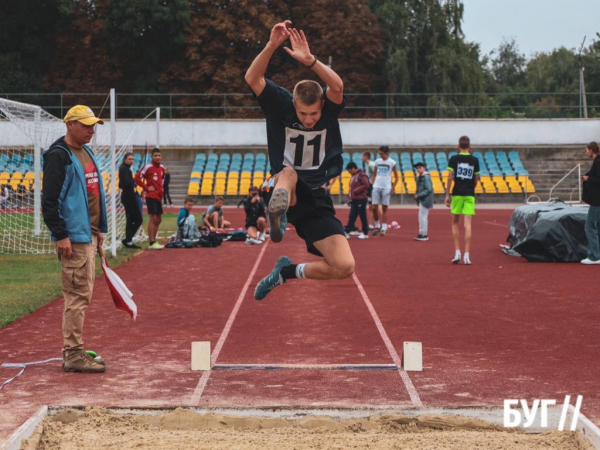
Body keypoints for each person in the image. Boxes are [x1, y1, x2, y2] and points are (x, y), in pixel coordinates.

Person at [245, 20, 355, 300]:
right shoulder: (280, 104)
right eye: (304, 114)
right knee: (289, 173)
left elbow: (338, 85)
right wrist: (271, 46)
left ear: (321, 107)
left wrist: (311, 61)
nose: (309, 120)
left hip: (315, 196)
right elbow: (252, 78)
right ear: (294, 104)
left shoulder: (328, 111)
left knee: (344, 266)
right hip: (281, 184)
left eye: (314, 114)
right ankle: (277, 210)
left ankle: (285, 272)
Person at [41, 105, 107, 373]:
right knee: (77, 297)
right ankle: (73, 354)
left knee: (83, 295)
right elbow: (49, 201)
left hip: (88, 234)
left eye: (94, 126)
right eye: (86, 125)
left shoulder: (85, 151)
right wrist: (61, 235)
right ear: (70, 124)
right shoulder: (60, 156)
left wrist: (99, 229)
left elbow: (93, 193)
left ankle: (76, 349)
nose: (92, 130)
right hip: (74, 237)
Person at [445, 136, 480, 265]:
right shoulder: (474, 160)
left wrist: (447, 194)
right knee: (468, 225)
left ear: (458, 145)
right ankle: (467, 255)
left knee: (455, 223)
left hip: (457, 193)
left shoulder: (454, 159)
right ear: (469, 146)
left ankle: (457, 252)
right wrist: (471, 188)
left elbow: (449, 177)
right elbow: (476, 179)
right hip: (469, 194)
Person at [134, 147, 165, 249]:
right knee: (153, 218)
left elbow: (162, 180)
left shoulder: (162, 168)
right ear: (152, 157)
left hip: (159, 197)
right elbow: (137, 178)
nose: (157, 157)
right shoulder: (148, 167)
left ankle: (154, 239)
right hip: (151, 196)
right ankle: (152, 242)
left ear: (161, 156)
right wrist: (146, 188)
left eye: (159, 155)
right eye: (155, 155)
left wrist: (161, 191)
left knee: (159, 219)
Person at [371, 146, 399, 236]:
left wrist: (393, 187)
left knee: (384, 208)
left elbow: (396, 176)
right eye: (379, 154)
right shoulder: (377, 162)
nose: (380, 155)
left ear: (386, 153)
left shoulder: (392, 162)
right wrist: (372, 184)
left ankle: (384, 227)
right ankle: (377, 225)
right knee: (374, 207)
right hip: (376, 186)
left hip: (386, 187)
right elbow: (374, 174)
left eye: (382, 153)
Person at [119, 152, 142, 249]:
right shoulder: (125, 169)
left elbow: (121, 184)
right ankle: (128, 239)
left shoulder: (126, 169)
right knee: (137, 219)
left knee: (131, 219)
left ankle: (128, 240)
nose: (131, 161)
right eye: (129, 159)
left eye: (133, 159)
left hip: (129, 196)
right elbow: (126, 184)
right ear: (125, 160)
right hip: (128, 197)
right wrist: (134, 180)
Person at [582, 141, 600, 265]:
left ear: (591, 150)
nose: (586, 152)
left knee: (590, 227)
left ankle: (594, 256)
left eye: (586, 150)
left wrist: (588, 178)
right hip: (597, 200)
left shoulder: (598, 162)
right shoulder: (597, 161)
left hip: (597, 201)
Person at [344, 162, 369, 239]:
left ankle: (365, 233)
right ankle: (347, 231)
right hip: (355, 200)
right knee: (352, 216)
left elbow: (366, 185)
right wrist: (349, 199)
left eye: (349, 171)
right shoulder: (354, 176)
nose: (349, 173)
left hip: (361, 199)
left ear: (353, 168)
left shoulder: (361, 175)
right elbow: (351, 189)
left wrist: (356, 191)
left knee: (362, 216)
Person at [414, 162, 433, 241]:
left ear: (424, 167)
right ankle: (422, 233)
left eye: (420, 167)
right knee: (421, 217)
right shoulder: (421, 176)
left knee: (423, 217)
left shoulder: (425, 177)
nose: (418, 169)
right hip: (423, 199)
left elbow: (428, 189)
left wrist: (419, 195)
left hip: (425, 199)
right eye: (417, 168)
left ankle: (424, 234)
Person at [362, 151, 375, 228]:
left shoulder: (371, 164)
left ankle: (374, 224)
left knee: (373, 206)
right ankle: (371, 224)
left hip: (372, 186)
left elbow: (375, 173)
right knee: (371, 206)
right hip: (370, 187)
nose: (361, 158)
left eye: (362, 156)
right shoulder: (367, 165)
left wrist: (372, 183)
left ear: (366, 157)